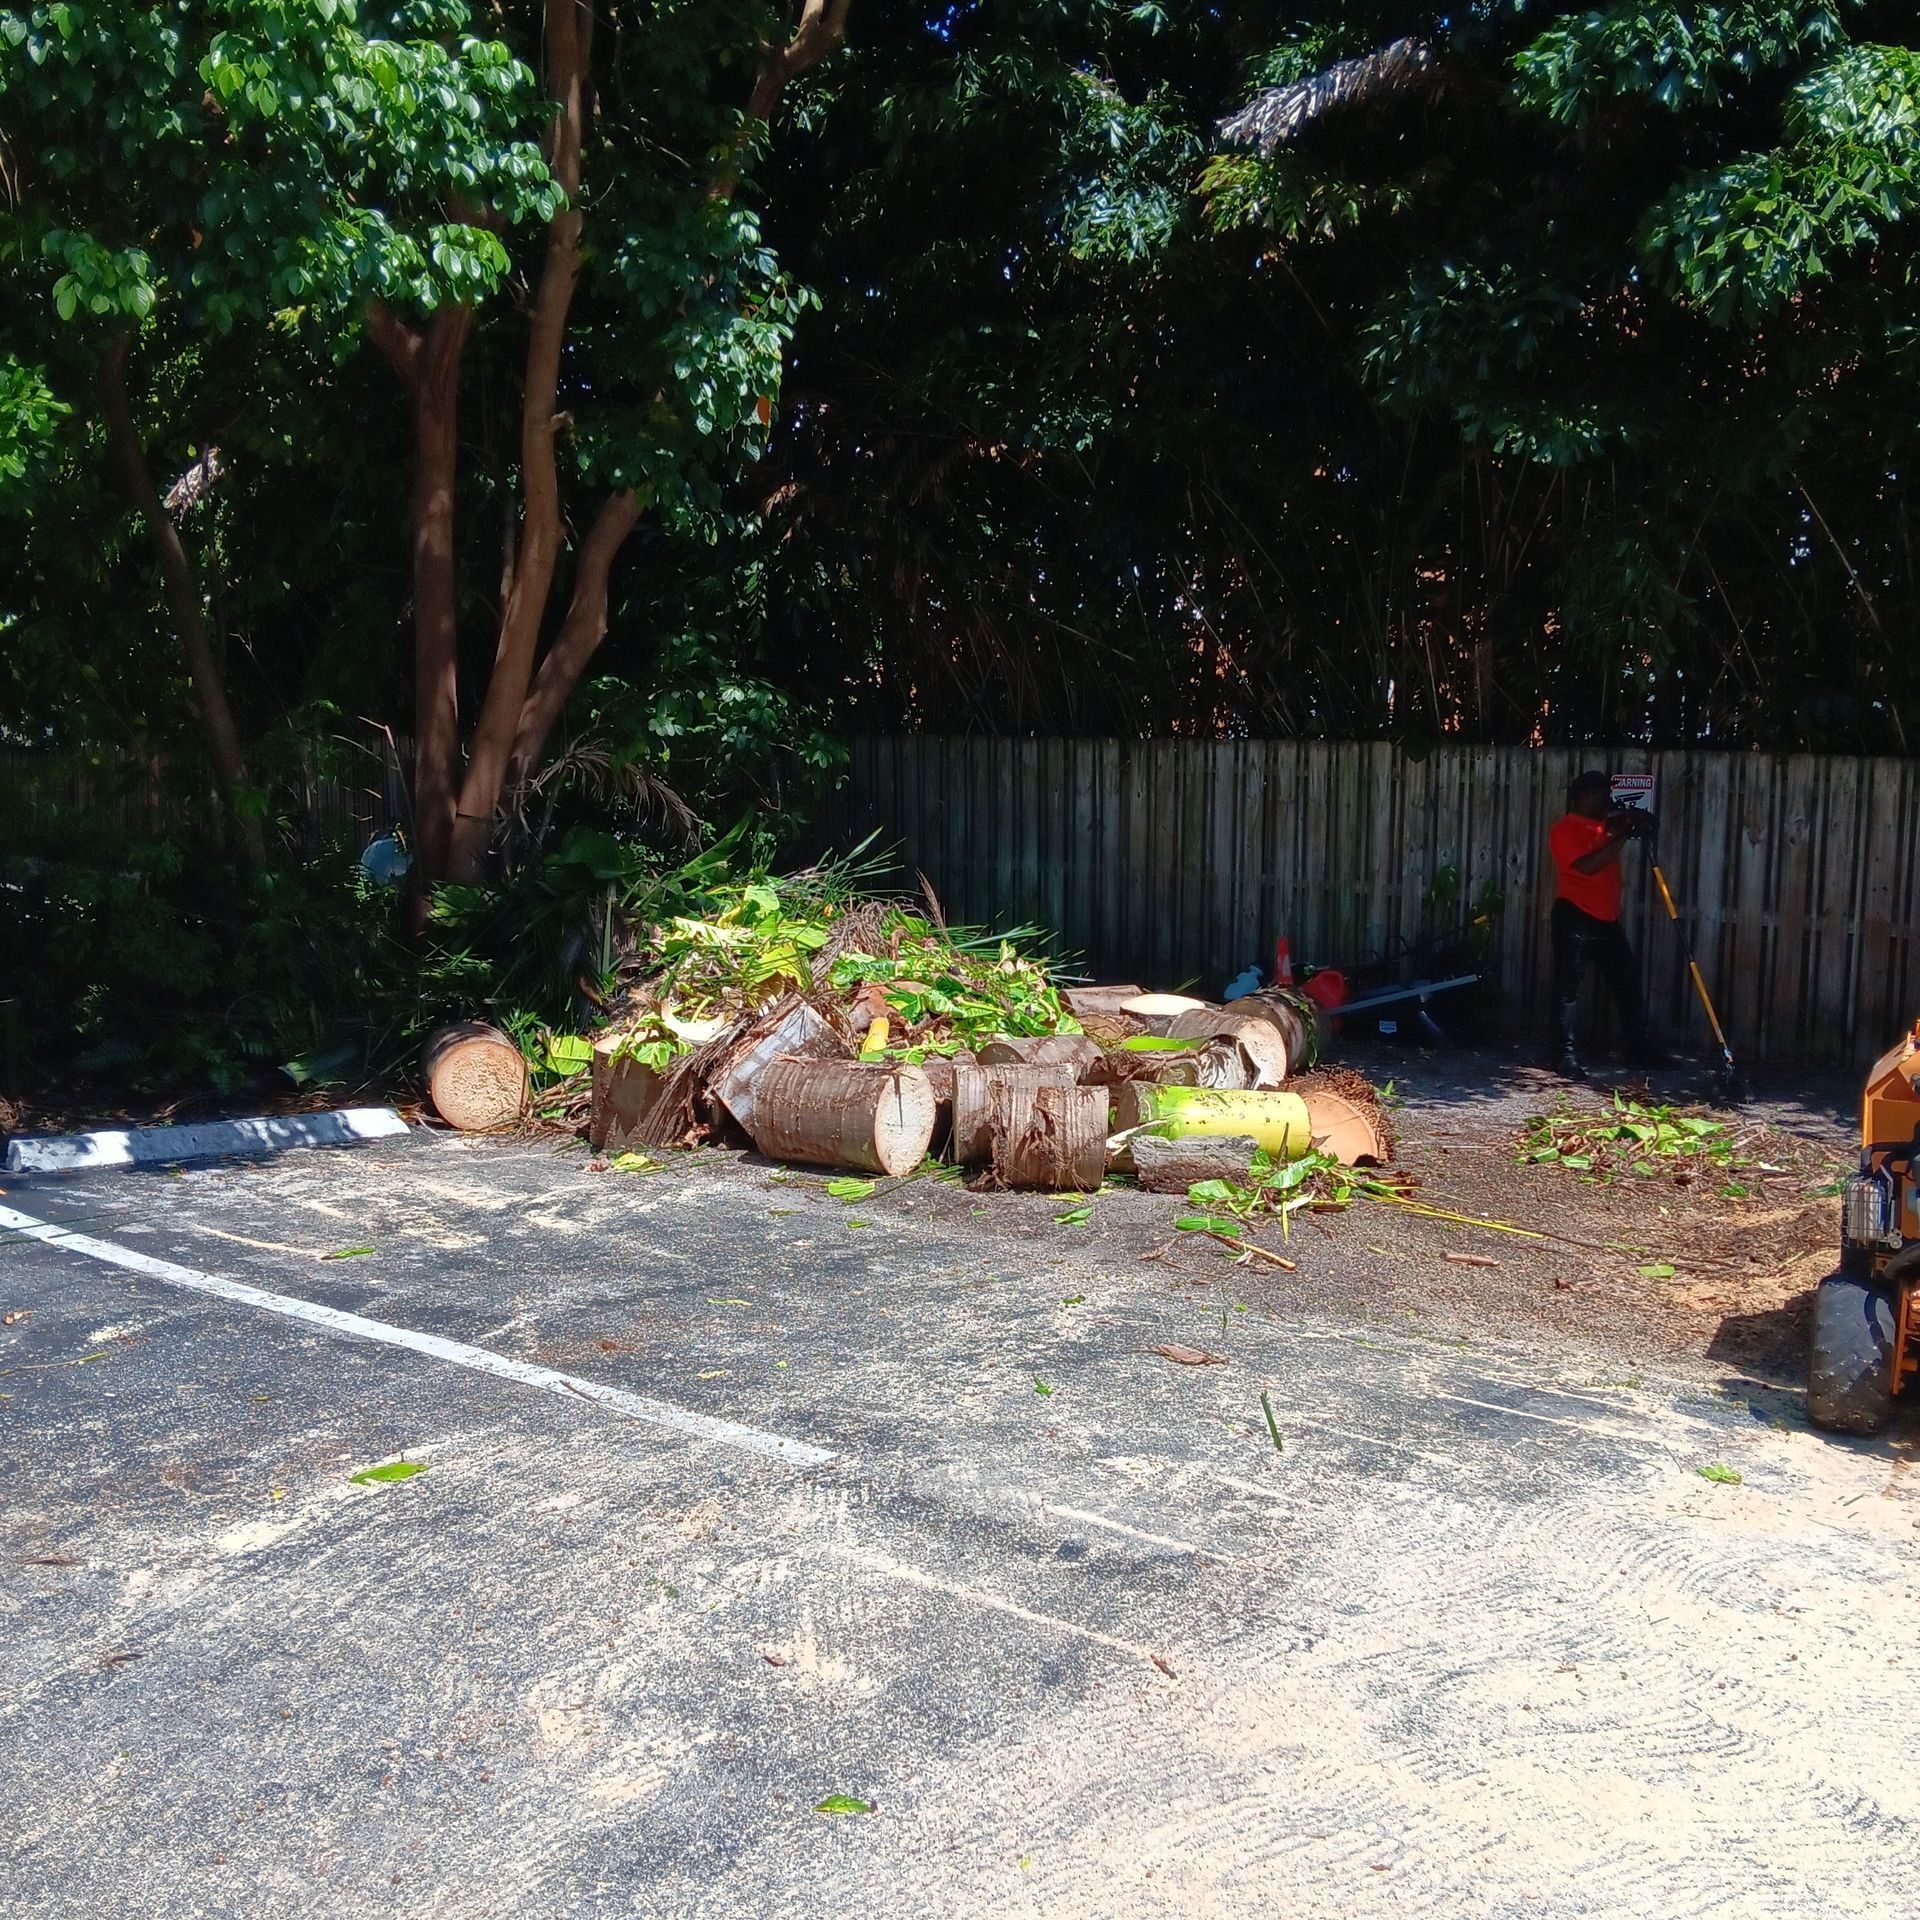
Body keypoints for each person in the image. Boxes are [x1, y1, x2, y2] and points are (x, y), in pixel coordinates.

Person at [1548, 771, 1666, 1078]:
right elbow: (1587, 866)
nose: (1608, 803)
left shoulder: (1603, 825)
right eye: (1603, 797)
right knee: (1568, 988)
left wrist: (1636, 821)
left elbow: (1618, 826)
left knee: (1626, 981)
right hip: (1574, 916)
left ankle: (1638, 1049)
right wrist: (1624, 834)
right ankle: (1564, 1056)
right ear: (1585, 798)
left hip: (1606, 920)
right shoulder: (1564, 830)